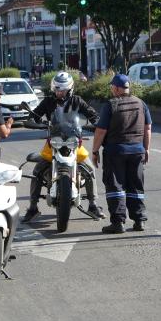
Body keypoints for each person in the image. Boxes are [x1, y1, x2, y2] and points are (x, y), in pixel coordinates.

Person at [22, 71, 103, 222]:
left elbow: (93, 114)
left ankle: (93, 205)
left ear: (70, 89)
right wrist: (33, 121)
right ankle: (32, 208)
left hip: (73, 141)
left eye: (62, 90)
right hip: (54, 141)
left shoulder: (77, 101)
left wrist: (96, 122)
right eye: (57, 89)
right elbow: (35, 115)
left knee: (89, 170)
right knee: (37, 171)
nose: (59, 92)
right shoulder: (47, 101)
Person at [90, 74, 152, 234]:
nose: (111, 90)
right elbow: (147, 128)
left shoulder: (111, 105)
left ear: (117, 88)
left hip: (115, 151)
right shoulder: (141, 103)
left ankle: (118, 222)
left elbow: (101, 130)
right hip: (137, 150)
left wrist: (95, 151)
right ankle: (139, 221)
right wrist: (146, 148)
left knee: (115, 186)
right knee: (135, 185)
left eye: (112, 87)